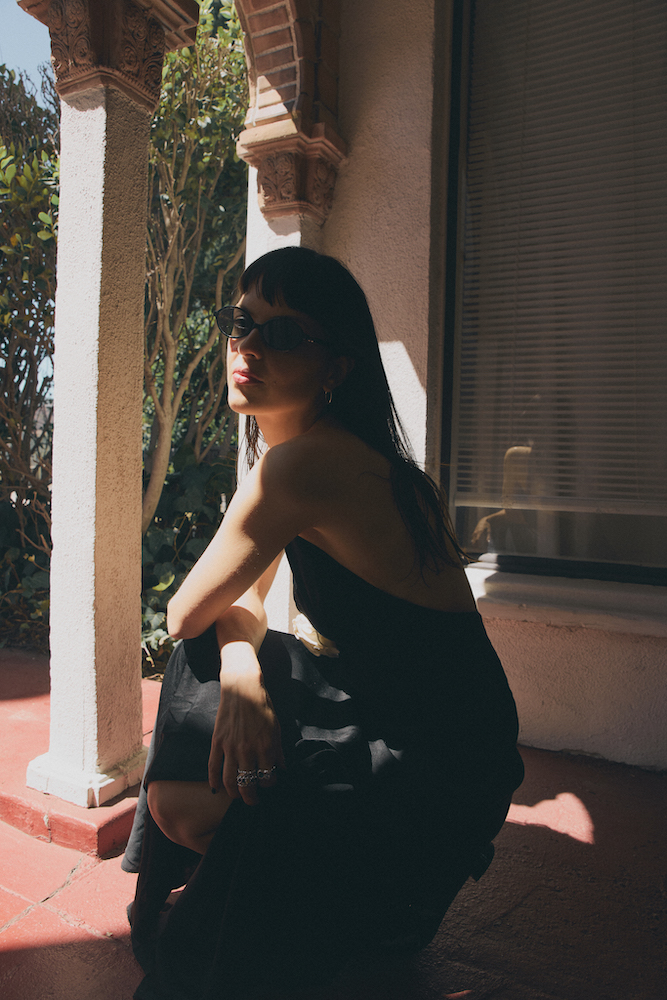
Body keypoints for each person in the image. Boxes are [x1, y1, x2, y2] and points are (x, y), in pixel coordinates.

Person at [123, 247, 524, 1000]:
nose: (247, 346)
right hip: (445, 737)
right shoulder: (330, 458)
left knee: (194, 669)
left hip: (429, 765)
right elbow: (236, 603)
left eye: (281, 334)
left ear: (334, 367)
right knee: (215, 665)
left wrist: (234, 662)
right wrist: (242, 677)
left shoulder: (302, 469)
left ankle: (211, 899)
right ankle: (239, 889)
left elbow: (183, 613)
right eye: (241, 322)